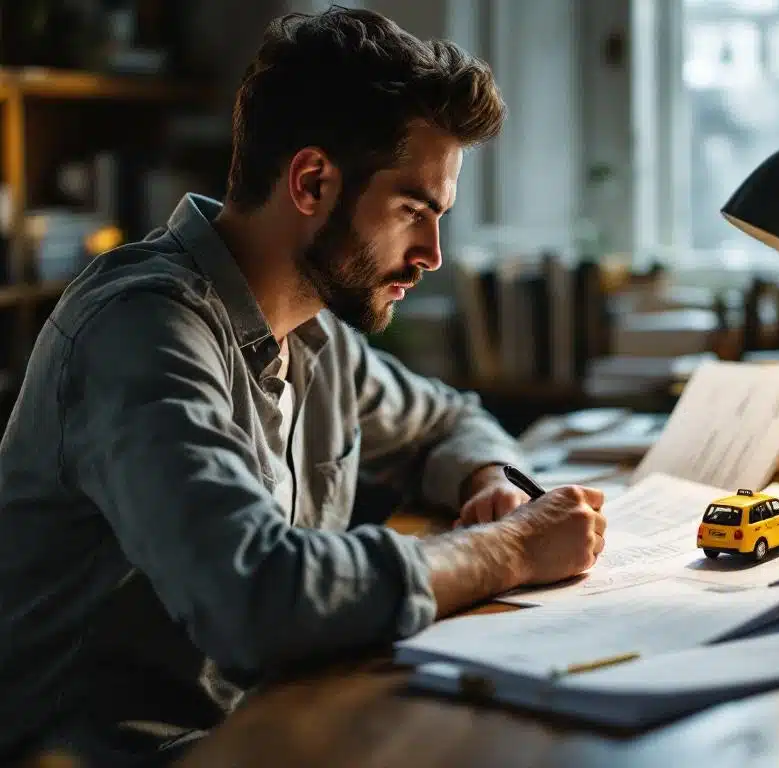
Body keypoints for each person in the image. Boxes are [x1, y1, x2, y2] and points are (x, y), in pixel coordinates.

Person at [0, 7, 606, 765]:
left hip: (271, 723)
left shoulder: (313, 332)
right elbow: (257, 594)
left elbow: (448, 419)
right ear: (312, 182)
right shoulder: (142, 331)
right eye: (414, 210)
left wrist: (489, 478)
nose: (433, 253)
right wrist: (509, 549)